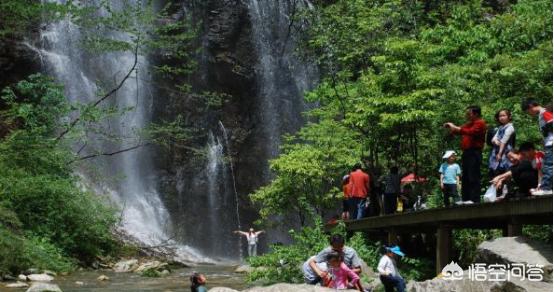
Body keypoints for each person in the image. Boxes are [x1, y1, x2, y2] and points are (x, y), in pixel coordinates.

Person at [444, 105, 487, 203]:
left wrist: (456, 128)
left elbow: (470, 132)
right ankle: (466, 199)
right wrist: (451, 128)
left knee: (473, 176)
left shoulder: (480, 123)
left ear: (475, 114)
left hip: (474, 152)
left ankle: (474, 199)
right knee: (466, 176)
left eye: (469, 113)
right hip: (467, 153)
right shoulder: (469, 123)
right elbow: (460, 130)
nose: (467, 115)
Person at [521, 99, 553, 194]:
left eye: (528, 111)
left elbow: (552, 122)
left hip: (551, 143)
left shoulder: (544, 112)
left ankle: (546, 188)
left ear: (531, 106)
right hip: (548, 142)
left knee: (548, 166)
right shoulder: (541, 114)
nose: (529, 114)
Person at [488, 109, 516, 178]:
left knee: (505, 171)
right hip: (497, 151)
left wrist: (500, 153)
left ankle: (505, 187)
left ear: (509, 117)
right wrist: (495, 141)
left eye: (504, 115)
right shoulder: (500, 127)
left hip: (506, 152)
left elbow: (504, 141)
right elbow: (493, 139)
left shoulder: (510, 127)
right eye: (500, 116)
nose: (501, 117)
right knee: (495, 172)